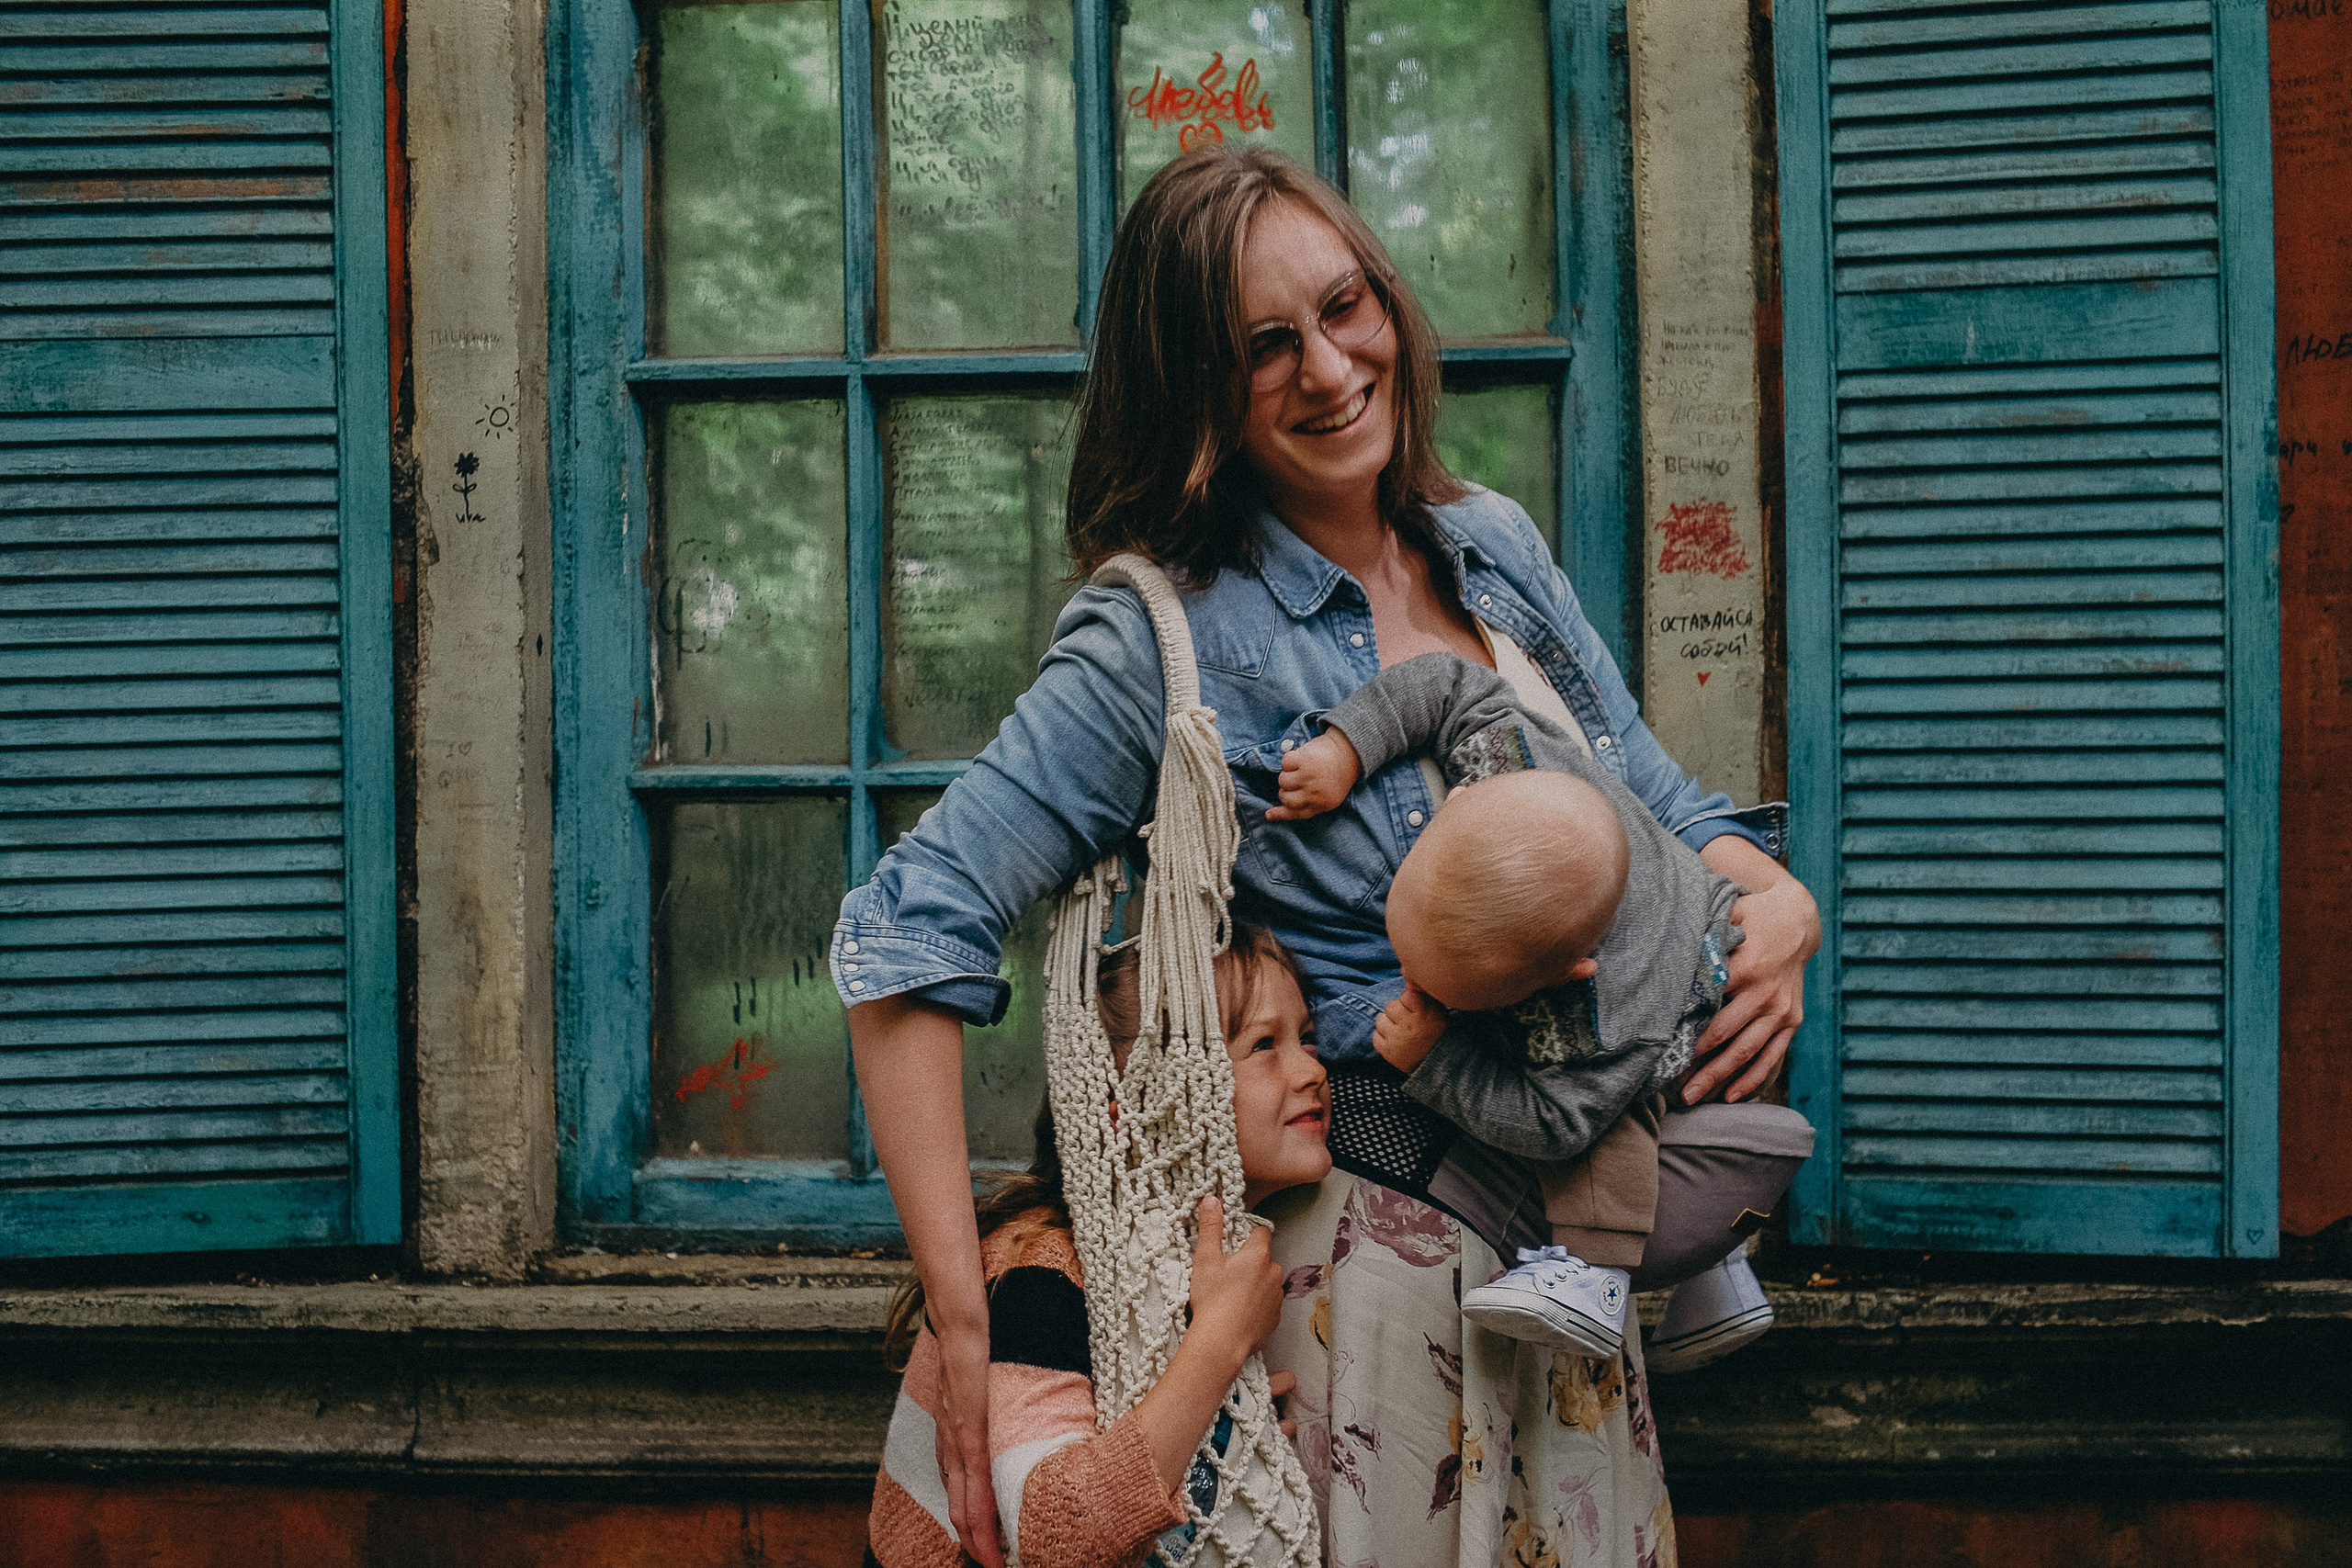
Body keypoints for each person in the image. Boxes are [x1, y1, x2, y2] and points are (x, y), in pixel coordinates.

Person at [836, 145, 1817, 1567]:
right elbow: (905, 931)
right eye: (1262, 349)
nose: (1329, 367)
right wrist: (966, 1314)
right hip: (1373, 1283)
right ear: (1195, 395)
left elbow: (1657, 802)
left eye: (1344, 305)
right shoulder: (1162, 638)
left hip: (1574, 1286)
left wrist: (1779, 904)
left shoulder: (1491, 545)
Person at [1268, 649, 1790, 1366]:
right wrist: (1346, 748)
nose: (1410, 985)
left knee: (1615, 1130)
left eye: (1446, 990)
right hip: (1669, 906)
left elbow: (1556, 1125)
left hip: (1691, 996)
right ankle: (1717, 1268)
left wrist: (1437, 1059)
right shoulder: (1505, 755)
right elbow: (1446, 681)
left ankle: (1596, 1276)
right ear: (1455, 811)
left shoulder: (1596, 1027)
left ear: (1559, 978)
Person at [867, 928, 1329, 1568]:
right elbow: (1059, 1541)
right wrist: (1218, 1345)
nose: (1312, 1069)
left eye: (1306, 1037)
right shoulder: (1039, 1270)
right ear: (1134, 1106)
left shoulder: (1175, 1256)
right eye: (1262, 1046)